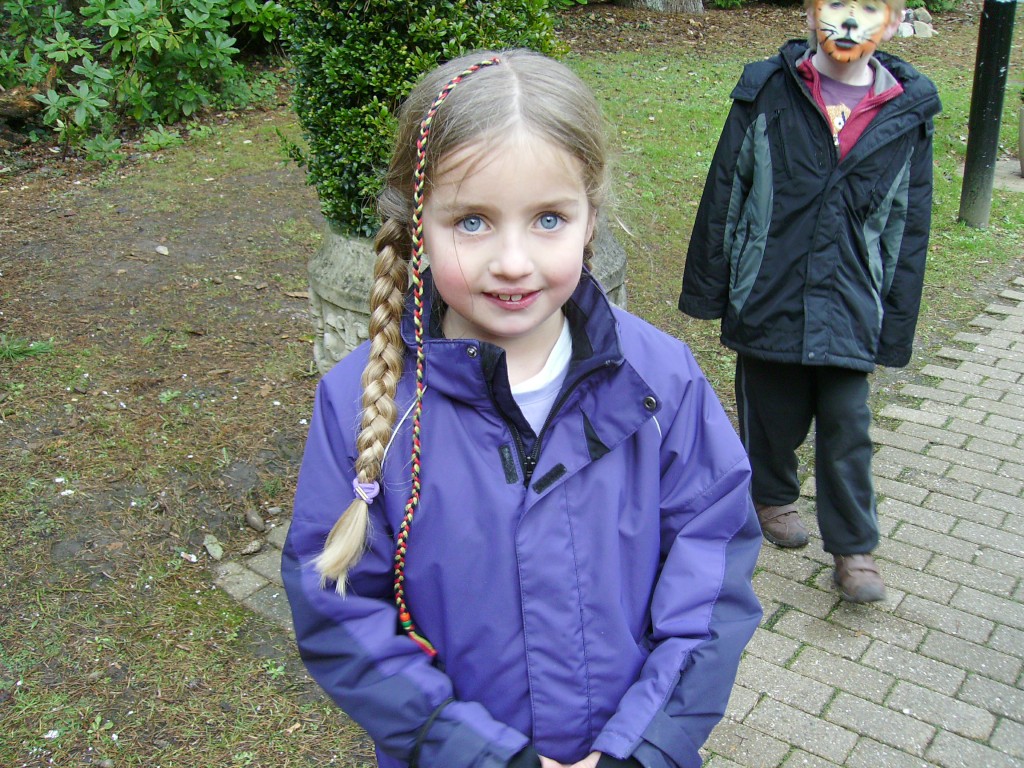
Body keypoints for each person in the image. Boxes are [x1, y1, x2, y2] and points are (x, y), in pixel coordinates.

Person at [282, 49, 762, 768]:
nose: (512, 261)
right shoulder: (363, 402)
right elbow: (337, 607)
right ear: (417, 224)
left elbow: (711, 578)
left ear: (590, 218)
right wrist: (476, 753)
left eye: (548, 219)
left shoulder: (662, 381)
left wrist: (643, 747)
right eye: (472, 222)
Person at [679, 0, 940, 603]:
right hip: (768, 287)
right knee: (772, 413)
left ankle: (854, 548)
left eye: (869, 8)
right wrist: (711, 287)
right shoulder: (768, 91)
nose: (849, 21)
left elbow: (908, 227)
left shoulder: (907, 112)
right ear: (810, 12)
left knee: (848, 424)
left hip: (851, 301)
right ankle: (769, 496)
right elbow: (727, 188)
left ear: (893, 22)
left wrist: (894, 325)